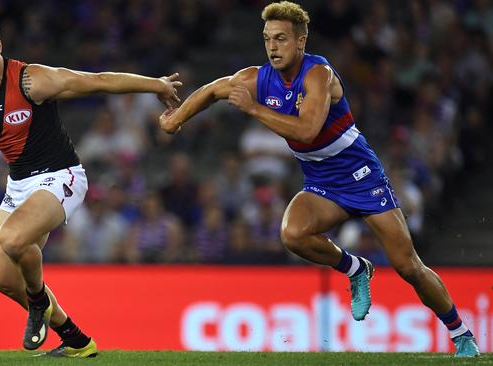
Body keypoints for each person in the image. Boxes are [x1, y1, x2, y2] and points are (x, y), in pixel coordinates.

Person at [159, 1, 479, 357]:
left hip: (361, 177)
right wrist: (177, 119)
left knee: (408, 266)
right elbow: (213, 90)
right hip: (322, 182)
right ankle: (356, 268)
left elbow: (309, 131)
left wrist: (253, 109)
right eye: (267, 39)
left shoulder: (318, 75)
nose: (273, 47)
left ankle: (461, 333)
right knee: (292, 234)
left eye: (281, 39)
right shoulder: (257, 77)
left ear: (301, 41)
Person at [0, 16, 182, 358]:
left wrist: (157, 85)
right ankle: (77, 340)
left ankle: (37, 303)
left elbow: (97, 81)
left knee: (14, 238)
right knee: (4, 281)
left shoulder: (32, 80)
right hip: (18, 183)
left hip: (62, 175)